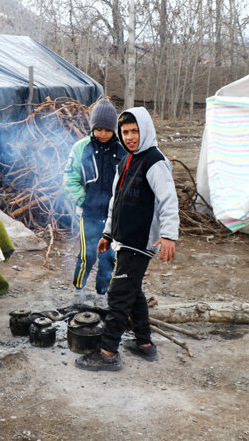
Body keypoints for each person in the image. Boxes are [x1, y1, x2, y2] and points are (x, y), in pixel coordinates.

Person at [75, 107, 179, 372]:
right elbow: (115, 202)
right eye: (125, 132)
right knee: (133, 292)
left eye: (135, 131)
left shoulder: (155, 161)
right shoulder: (126, 160)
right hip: (124, 239)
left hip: (141, 240)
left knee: (119, 294)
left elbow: (168, 200)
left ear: (145, 130)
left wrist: (168, 235)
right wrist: (108, 234)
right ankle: (145, 344)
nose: (130, 136)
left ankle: (108, 352)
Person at [63, 99, 127, 308]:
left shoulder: (123, 151)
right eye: (98, 129)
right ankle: (78, 292)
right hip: (89, 214)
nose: (102, 134)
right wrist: (83, 200)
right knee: (87, 255)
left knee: (109, 258)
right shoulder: (81, 148)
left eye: (107, 129)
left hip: (113, 217)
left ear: (114, 129)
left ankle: (101, 296)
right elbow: (69, 178)